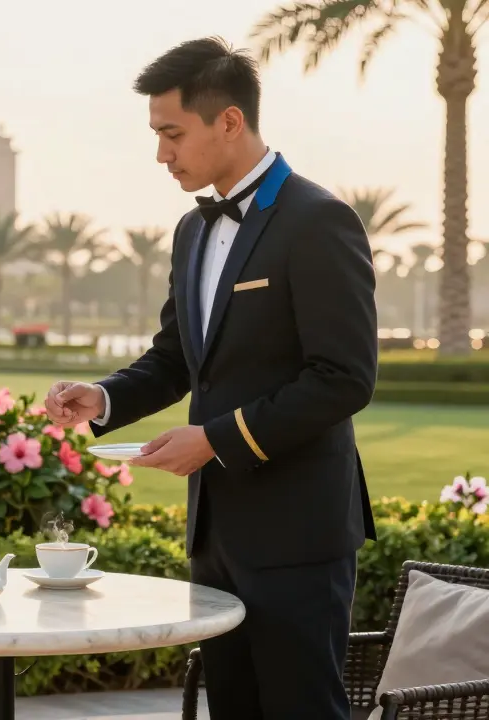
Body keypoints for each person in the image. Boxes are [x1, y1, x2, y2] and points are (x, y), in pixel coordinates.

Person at [44, 37, 377, 720]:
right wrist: (103, 397)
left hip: (298, 538)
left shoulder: (319, 221)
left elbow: (344, 378)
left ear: (229, 121)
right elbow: (177, 359)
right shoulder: (191, 233)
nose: (162, 153)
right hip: (215, 537)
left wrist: (215, 439)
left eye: (172, 133)